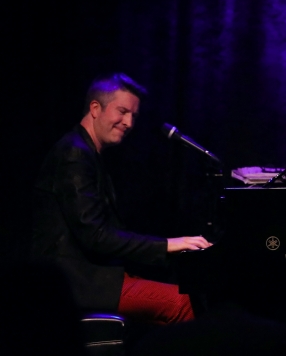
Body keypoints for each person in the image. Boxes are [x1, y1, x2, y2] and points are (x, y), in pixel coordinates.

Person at [31, 73, 212, 325]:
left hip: (92, 275)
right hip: (76, 281)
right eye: (122, 111)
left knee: (179, 292)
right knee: (183, 305)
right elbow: (95, 235)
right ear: (95, 108)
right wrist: (168, 244)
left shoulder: (88, 153)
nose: (128, 122)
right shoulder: (74, 153)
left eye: (133, 116)